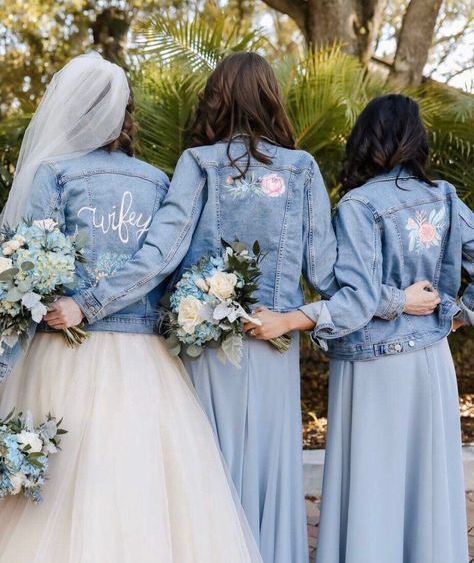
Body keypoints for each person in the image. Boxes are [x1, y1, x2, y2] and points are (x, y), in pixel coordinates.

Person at [48, 55, 438, 563]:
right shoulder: (301, 170)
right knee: (271, 474)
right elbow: (335, 279)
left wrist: (88, 303)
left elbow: (160, 256)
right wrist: (396, 300)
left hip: (206, 346)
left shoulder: (198, 164)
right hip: (275, 346)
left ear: (216, 99)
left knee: (208, 474)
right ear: (272, 99)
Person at [0, 53, 262, 563]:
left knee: (62, 481)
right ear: (125, 115)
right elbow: (164, 263)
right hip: (144, 359)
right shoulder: (157, 179)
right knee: (141, 483)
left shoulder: (50, 174)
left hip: (63, 348)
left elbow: (21, 269)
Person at [244, 94, 472, 563]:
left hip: (374, 367)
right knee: (427, 483)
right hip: (433, 360)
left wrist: (291, 319)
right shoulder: (444, 196)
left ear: (367, 139)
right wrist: (455, 312)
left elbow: (356, 299)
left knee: (374, 484)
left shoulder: (359, 205)